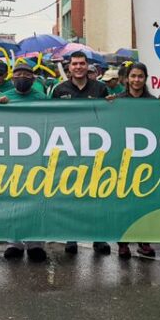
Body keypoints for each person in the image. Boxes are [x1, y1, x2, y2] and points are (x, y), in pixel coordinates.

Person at [50, 52, 112, 256]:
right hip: (69, 148)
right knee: (71, 193)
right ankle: (71, 235)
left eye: (82, 64)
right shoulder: (59, 90)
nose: (78, 67)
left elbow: (109, 116)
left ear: (88, 66)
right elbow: (50, 117)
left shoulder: (100, 88)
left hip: (95, 148)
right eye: (75, 64)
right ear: (69, 68)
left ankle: (99, 236)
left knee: (96, 193)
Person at [0, 59, 49, 261]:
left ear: (33, 79)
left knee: (36, 199)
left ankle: (35, 243)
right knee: (12, 198)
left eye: (26, 75)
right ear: (12, 78)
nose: (22, 78)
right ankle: (14, 242)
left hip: (36, 157)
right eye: (17, 75)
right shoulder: (3, 97)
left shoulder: (42, 98)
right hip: (11, 157)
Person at [111, 62, 155, 258]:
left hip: (145, 159)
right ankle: (123, 242)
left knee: (144, 201)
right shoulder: (116, 101)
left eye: (140, 76)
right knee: (123, 202)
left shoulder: (153, 102)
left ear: (145, 79)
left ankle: (144, 241)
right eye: (133, 76)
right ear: (127, 78)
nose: (137, 80)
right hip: (123, 158)